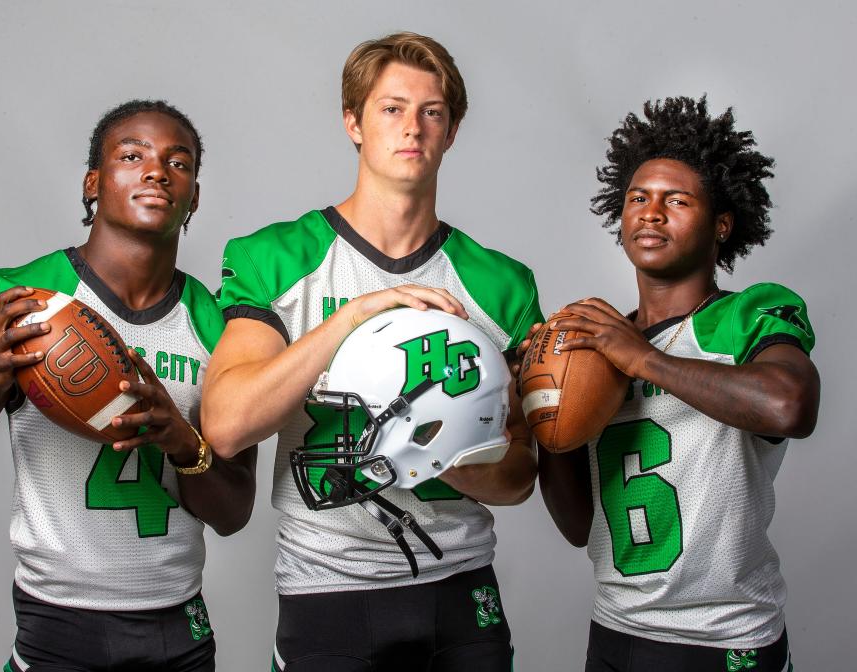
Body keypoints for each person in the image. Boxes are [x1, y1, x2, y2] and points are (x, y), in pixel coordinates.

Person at [202, 32, 542, 671]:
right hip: (330, 586)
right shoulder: (277, 259)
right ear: (353, 122)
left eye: (431, 111)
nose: (412, 127)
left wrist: (441, 454)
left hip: (462, 590)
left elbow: (521, 476)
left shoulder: (500, 283)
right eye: (391, 108)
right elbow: (225, 424)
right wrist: (355, 315)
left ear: (451, 130)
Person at [0, 100, 258, 672]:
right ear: (93, 183)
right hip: (57, 622)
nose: (156, 171)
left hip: (179, 625)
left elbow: (234, 513)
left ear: (194, 196)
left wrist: (179, 439)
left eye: (179, 163)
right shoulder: (26, 298)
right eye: (132, 156)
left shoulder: (221, 324)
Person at [535, 96, 820, 671]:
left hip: (727, 638)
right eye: (638, 197)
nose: (651, 212)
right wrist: (544, 408)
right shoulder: (597, 349)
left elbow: (790, 405)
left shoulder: (746, 317)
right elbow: (577, 527)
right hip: (616, 631)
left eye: (677, 200)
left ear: (721, 224)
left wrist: (644, 360)